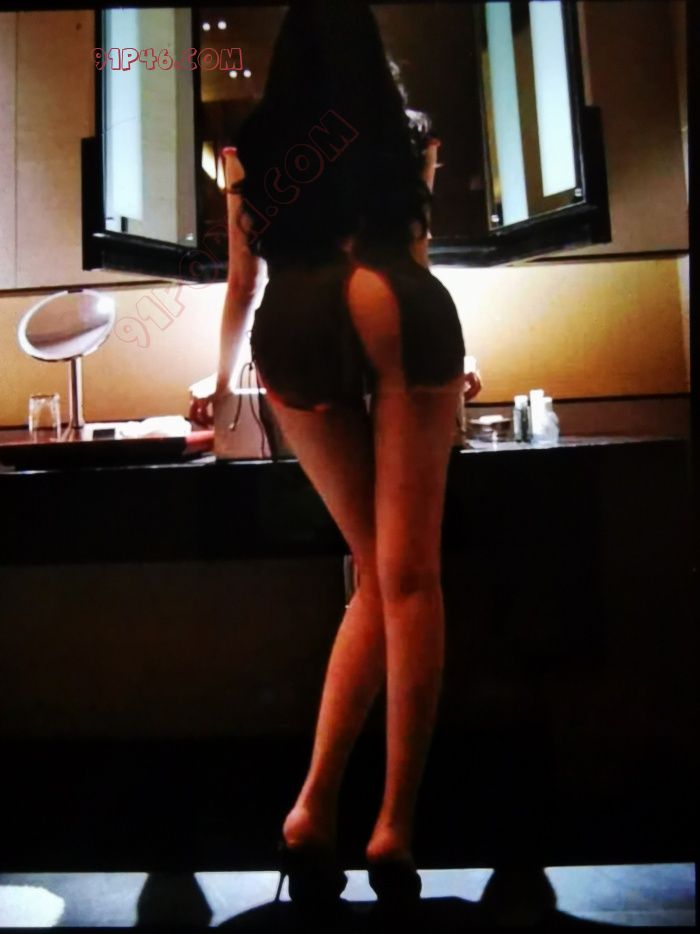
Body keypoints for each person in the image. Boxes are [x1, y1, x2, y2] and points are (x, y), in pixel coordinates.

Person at [189, 0, 481, 913]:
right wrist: (457, 362)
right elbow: (416, 254)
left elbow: (244, 282)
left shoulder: (251, 151)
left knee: (372, 570)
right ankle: (392, 825)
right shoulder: (408, 135)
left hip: (298, 318)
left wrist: (219, 383)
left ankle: (314, 809)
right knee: (409, 579)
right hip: (398, 301)